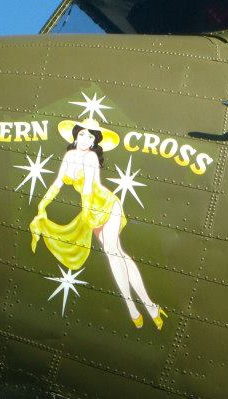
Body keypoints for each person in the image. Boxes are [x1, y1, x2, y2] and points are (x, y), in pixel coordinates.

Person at [29, 119, 166, 330]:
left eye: (90, 136)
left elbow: (87, 191)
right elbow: (57, 184)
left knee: (113, 252)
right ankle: (148, 306)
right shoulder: (69, 156)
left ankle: (134, 308)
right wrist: (42, 205)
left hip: (105, 205)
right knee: (119, 254)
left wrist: (86, 216)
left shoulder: (91, 157)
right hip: (91, 214)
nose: (85, 139)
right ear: (75, 135)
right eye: (82, 134)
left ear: (94, 143)